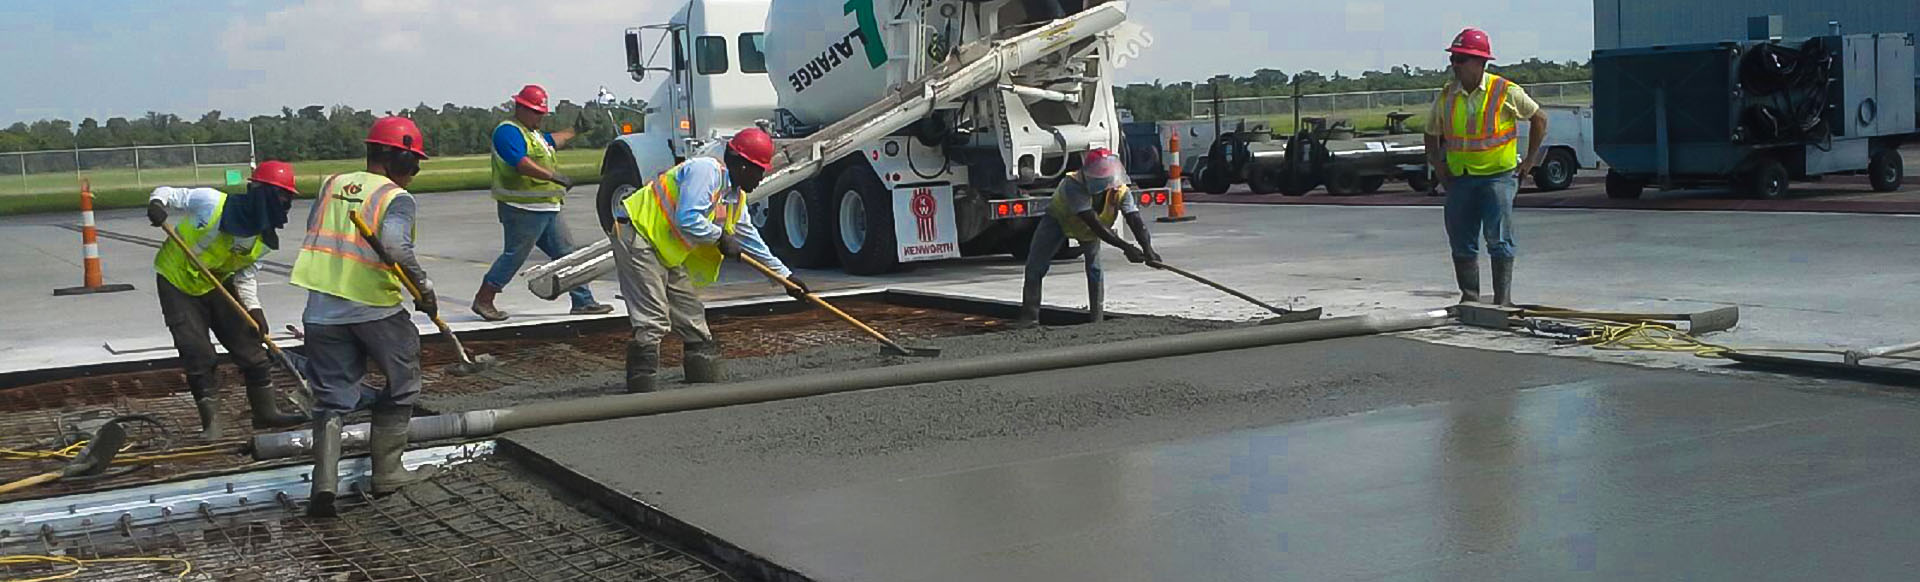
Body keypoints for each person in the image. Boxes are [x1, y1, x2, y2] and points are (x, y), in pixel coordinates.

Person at [289, 116, 440, 517]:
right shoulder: (396, 198)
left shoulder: (332, 184)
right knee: (402, 380)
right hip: (374, 307)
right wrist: (423, 289)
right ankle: (388, 472)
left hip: (321, 309)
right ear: (398, 158)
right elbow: (394, 246)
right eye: (413, 164)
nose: (415, 173)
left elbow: (317, 231)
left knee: (332, 396)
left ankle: (324, 485)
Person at [603, 128, 804, 394]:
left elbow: (750, 239)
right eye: (758, 170)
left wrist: (784, 277)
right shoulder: (706, 171)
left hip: (663, 246)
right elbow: (687, 218)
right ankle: (643, 388)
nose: (761, 177)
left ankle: (702, 375)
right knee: (653, 318)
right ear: (742, 165)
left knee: (690, 313)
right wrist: (720, 237)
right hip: (638, 234)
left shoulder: (734, 196)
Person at [145, 162, 307, 438]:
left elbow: (244, 276)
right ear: (259, 192)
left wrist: (254, 309)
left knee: (250, 346)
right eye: (281, 196)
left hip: (216, 283)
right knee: (198, 351)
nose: (285, 204)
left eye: (287, 198)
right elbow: (167, 193)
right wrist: (156, 204)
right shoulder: (211, 203)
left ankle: (265, 413)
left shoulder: (263, 239)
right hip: (177, 282)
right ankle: (212, 423)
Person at [1425, 27, 1547, 307]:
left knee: (1499, 239)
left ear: (1480, 62)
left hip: (1498, 179)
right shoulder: (1446, 96)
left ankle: (1502, 301)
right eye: (1453, 58)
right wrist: (1439, 167)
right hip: (1461, 180)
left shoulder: (1504, 91)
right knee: (1461, 240)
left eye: (1460, 58)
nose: (1454, 64)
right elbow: (1431, 133)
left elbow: (1539, 118)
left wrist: (1529, 161)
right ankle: (1470, 298)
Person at [472, 84, 613, 321]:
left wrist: (576, 130)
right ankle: (484, 299)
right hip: (522, 210)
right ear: (521, 108)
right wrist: (554, 176)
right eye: (536, 112)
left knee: (567, 254)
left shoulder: (533, 134)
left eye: (542, 113)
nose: (541, 117)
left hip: (547, 207)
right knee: (515, 255)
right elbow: (520, 162)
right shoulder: (508, 131)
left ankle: (583, 302)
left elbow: (553, 140)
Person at [1018, 147, 1161, 326]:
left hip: (1088, 230)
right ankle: (1030, 317)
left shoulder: (1121, 190)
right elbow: (1094, 224)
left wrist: (1148, 250)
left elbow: (1134, 219)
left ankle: (1096, 319)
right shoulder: (1073, 185)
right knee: (1035, 266)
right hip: (1058, 221)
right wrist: (1126, 248)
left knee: (1095, 270)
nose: (1105, 186)